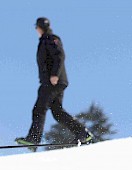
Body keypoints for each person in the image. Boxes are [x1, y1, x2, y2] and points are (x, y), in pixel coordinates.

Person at [16, 17, 93, 151]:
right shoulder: (46, 40)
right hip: (55, 81)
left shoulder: (50, 39)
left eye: (36, 27)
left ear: (39, 28)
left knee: (39, 109)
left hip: (52, 81)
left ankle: (33, 139)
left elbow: (60, 56)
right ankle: (83, 133)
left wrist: (55, 75)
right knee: (57, 112)